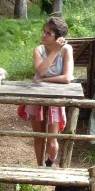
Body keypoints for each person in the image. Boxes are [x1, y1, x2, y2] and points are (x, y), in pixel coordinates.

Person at [17, 17, 74, 167]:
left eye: (48, 33)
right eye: (44, 31)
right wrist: (54, 52)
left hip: (55, 98)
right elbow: (41, 71)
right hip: (37, 97)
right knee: (38, 137)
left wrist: (45, 81)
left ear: (58, 38)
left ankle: (50, 162)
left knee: (52, 138)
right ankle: (40, 166)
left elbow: (67, 77)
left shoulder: (67, 50)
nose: (43, 35)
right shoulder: (38, 50)